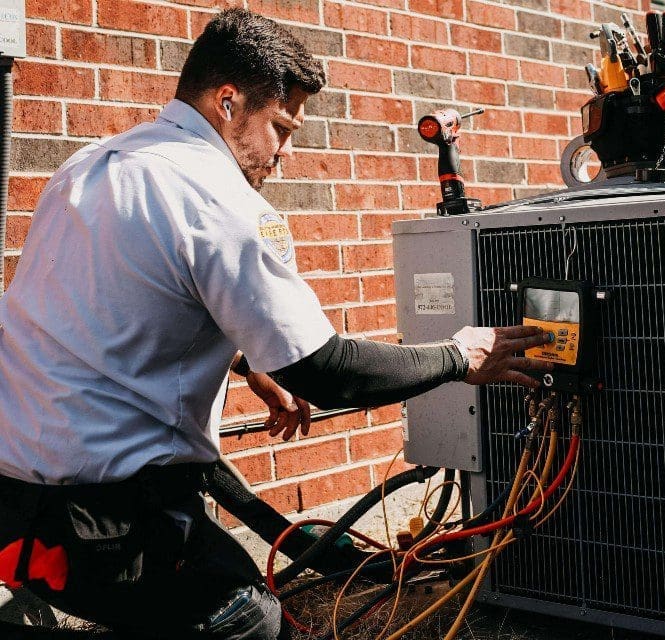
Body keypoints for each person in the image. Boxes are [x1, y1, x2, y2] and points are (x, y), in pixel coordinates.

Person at [0, 8, 551, 639]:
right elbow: (327, 372)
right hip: (109, 526)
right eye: (281, 127)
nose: (285, 154)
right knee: (252, 622)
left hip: (16, 506)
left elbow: (115, 307)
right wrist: (460, 356)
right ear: (228, 102)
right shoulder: (220, 200)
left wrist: (246, 361)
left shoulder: (89, 166)